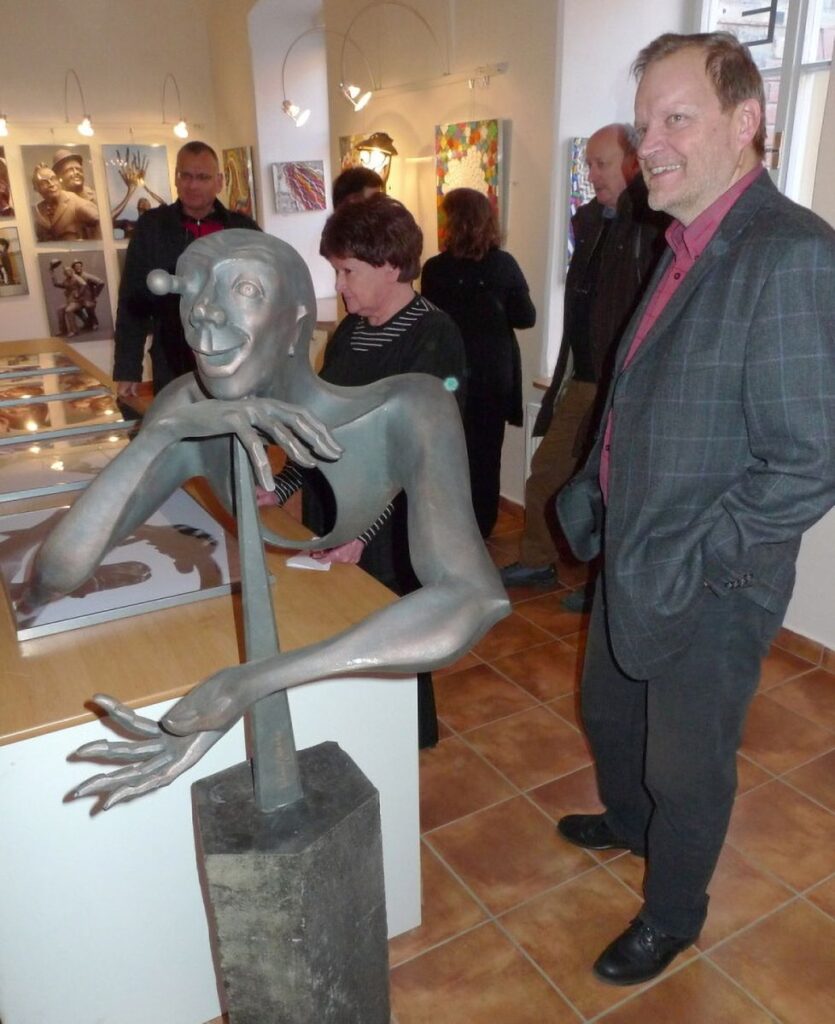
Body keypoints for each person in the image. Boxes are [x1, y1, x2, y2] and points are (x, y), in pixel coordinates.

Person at [19, 228, 508, 807]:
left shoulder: (415, 406)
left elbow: (472, 597)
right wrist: (163, 434)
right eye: (193, 289)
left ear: (295, 321)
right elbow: (56, 573)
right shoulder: (188, 409)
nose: (204, 311)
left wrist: (252, 681)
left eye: (244, 289)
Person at [555, 32, 835, 986]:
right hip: (635, 547)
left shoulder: (790, 253)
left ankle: (671, 912)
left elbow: (810, 458)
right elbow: (637, 386)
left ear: (745, 121)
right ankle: (630, 824)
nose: (650, 144)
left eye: (676, 118)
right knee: (608, 711)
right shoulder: (681, 239)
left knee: (686, 764)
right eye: (644, 125)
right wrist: (596, 489)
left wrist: (709, 557)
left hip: (710, 577)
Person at [266, 194, 467, 747]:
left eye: (347, 271)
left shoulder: (434, 336)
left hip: (392, 521)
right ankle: (351, 730)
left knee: (392, 628)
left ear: (391, 265)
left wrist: (363, 530)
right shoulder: (352, 331)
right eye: (336, 271)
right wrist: (283, 486)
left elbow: (421, 454)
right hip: (336, 508)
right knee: (339, 622)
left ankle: (401, 739)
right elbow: (321, 423)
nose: (339, 286)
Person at [500, 124, 668, 601]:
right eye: (588, 164)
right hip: (584, 380)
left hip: (626, 385)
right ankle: (537, 561)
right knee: (547, 472)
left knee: (616, 490)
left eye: (601, 164)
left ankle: (603, 590)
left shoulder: (653, 221)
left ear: (633, 163)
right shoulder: (591, 221)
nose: (591, 174)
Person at [421, 188, 535, 537]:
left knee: (447, 453)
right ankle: (481, 527)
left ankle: (449, 524)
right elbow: (526, 317)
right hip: (492, 375)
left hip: (450, 376)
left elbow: (429, 323)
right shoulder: (504, 265)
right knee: (486, 455)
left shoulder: (435, 269)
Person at [112, 141, 259, 398]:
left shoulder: (243, 230)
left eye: (202, 177)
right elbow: (133, 302)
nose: (193, 185)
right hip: (172, 360)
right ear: (176, 178)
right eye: (186, 176)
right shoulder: (151, 228)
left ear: (219, 182)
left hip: (232, 357)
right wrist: (128, 368)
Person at [31, 164, 100, 242]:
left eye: (53, 179)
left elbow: (100, 220)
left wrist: (95, 246)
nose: (51, 184)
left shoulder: (73, 200)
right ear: (36, 188)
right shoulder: (37, 211)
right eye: (44, 182)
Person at [70, 259, 105, 331]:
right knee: (74, 309)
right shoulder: (74, 277)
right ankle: (87, 322)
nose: (78, 268)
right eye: (76, 267)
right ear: (73, 268)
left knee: (90, 310)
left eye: (79, 266)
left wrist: (95, 294)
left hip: (88, 299)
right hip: (79, 299)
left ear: (82, 267)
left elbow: (101, 283)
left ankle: (95, 323)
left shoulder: (87, 276)